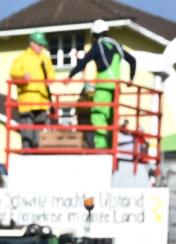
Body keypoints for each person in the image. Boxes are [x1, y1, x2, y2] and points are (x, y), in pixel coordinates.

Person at [71, 20, 138, 152]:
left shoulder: (98, 46)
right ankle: (111, 147)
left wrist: (69, 76)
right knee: (112, 118)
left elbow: (83, 62)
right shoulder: (116, 45)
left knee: (98, 116)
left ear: (94, 34)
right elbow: (132, 60)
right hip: (117, 88)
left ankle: (101, 147)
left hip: (103, 87)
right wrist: (130, 78)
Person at [9, 34, 56, 150]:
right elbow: (13, 74)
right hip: (27, 99)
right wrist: (22, 76)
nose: (41, 47)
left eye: (42, 45)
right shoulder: (22, 58)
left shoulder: (45, 58)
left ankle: (36, 147)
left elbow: (51, 74)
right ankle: (27, 147)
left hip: (42, 99)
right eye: (39, 45)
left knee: (40, 124)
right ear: (32, 43)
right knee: (27, 124)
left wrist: (50, 79)